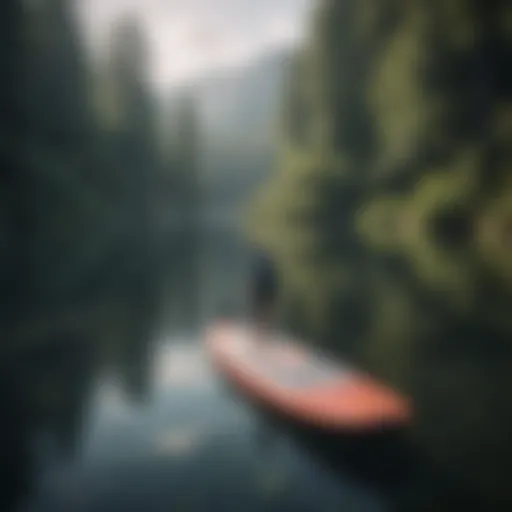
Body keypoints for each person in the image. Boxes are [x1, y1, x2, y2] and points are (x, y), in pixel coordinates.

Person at [250, 248, 279, 345]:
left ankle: (261, 333)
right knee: (263, 313)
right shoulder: (269, 270)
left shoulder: (261, 269)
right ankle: (262, 333)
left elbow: (256, 284)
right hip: (265, 294)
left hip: (263, 294)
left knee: (261, 313)